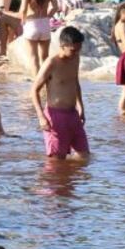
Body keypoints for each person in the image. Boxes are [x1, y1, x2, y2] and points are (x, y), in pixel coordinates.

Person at [31, 26, 88, 160]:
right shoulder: (51, 63)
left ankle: (73, 180)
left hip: (73, 114)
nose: (76, 53)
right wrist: (41, 117)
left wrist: (81, 107)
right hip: (55, 116)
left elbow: (75, 82)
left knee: (84, 157)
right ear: (63, 45)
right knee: (56, 161)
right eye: (73, 50)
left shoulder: (76, 58)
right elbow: (34, 90)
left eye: (79, 49)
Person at [20, 0, 58, 76]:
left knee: (33, 58)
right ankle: (47, 83)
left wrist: (23, 21)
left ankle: (36, 86)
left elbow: (23, 9)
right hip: (45, 24)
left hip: (32, 24)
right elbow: (55, 7)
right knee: (45, 57)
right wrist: (48, 16)